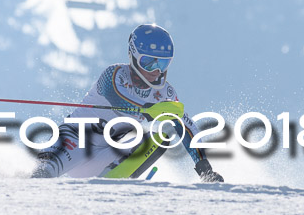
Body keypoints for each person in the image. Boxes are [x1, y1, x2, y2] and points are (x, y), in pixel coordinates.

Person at [32, 24, 224, 182]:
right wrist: (147, 111)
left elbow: (186, 126)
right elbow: (117, 96)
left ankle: (108, 183)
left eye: (163, 64)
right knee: (43, 174)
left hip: (108, 153)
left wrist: (204, 168)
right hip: (76, 139)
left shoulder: (165, 93)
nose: (157, 71)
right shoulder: (114, 74)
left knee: (158, 138)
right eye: (149, 63)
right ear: (133, 56)